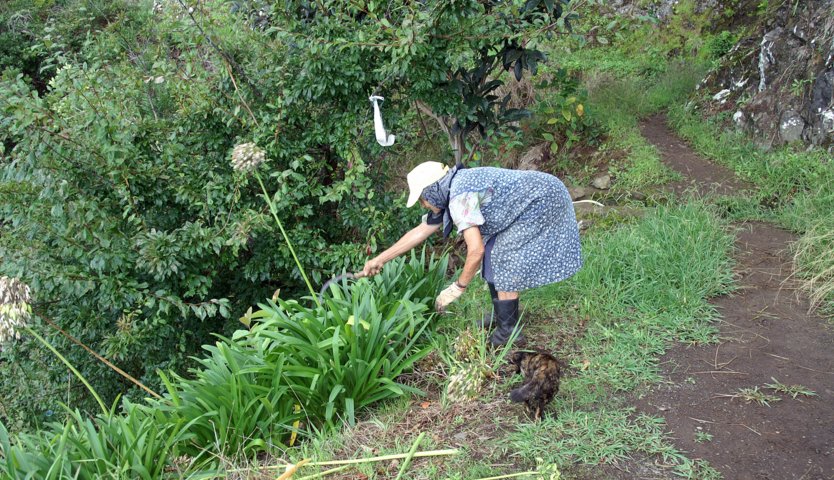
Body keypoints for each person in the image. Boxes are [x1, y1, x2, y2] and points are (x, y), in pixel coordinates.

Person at [361, 161, 582, 346]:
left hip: (543, 200)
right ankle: (503, 316)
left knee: (502, 255)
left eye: (422, 199)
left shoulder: (459, 197)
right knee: (495, 252)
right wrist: (379, 259)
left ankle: (509, 332)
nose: (423, 204)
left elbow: (476, 251)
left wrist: (458, 287)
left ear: (432, 190)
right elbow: (420, 231)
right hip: (541, 192)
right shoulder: (450, 189)